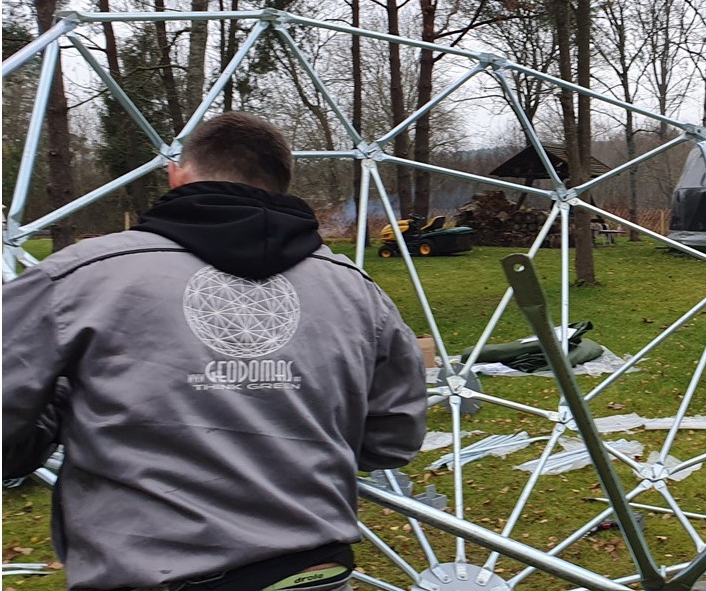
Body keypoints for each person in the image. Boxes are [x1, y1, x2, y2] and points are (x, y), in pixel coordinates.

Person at [3, 111, 428, 591]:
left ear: (176, 174)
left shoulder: (77, 277)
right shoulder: (356, 291)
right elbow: (394, 439)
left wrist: (59, 414)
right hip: (311, 576)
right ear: (282, 183)